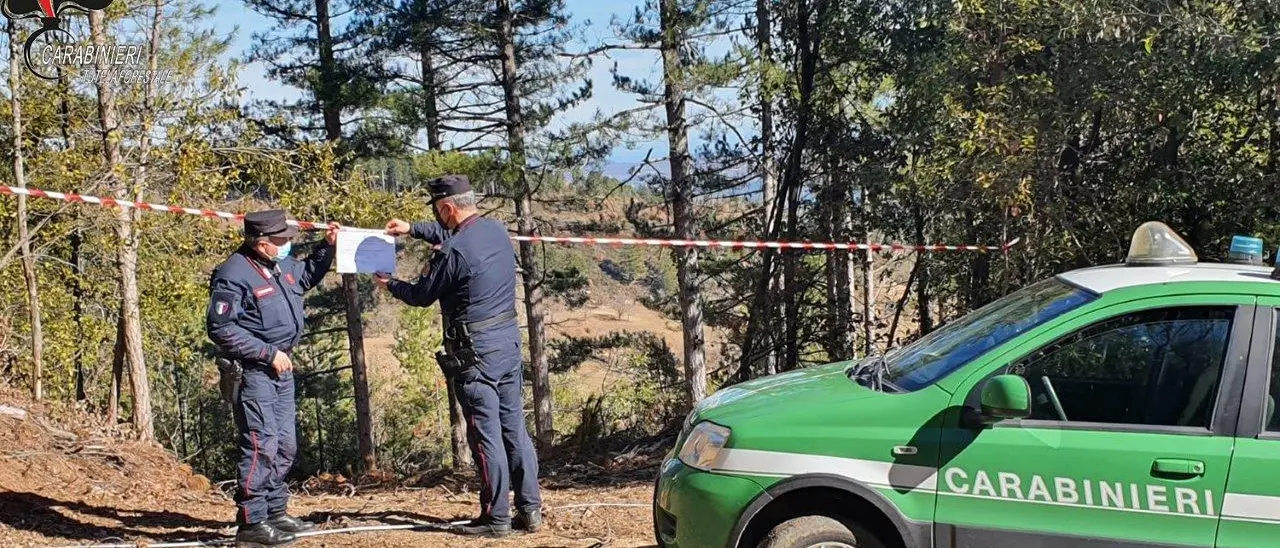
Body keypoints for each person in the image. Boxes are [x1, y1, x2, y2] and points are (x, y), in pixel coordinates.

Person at [375, 174, 543, 537]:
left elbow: (421, 295)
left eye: (439, 213)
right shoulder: (496, 231)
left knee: (485, 435)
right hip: (507, 345)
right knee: (514, 428)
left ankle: (495, 518)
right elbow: (457, 240)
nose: (439, 220)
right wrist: (414, 229)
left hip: (474, 353)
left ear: (448, 208)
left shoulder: (452, 252)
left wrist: (390, 284)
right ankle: (529, 510)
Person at [206, 209, 339, 546]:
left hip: (281, 371)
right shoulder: (233, 274)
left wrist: (327, 247)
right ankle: (252, 523)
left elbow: (306, 276)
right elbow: (220, 327)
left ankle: (276, 511)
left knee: (284, 445)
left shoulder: (278, 265)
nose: (289, 244)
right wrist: (267, 353)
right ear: (263, 244)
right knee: (260, 444)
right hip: (254, 372)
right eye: (282, 240)